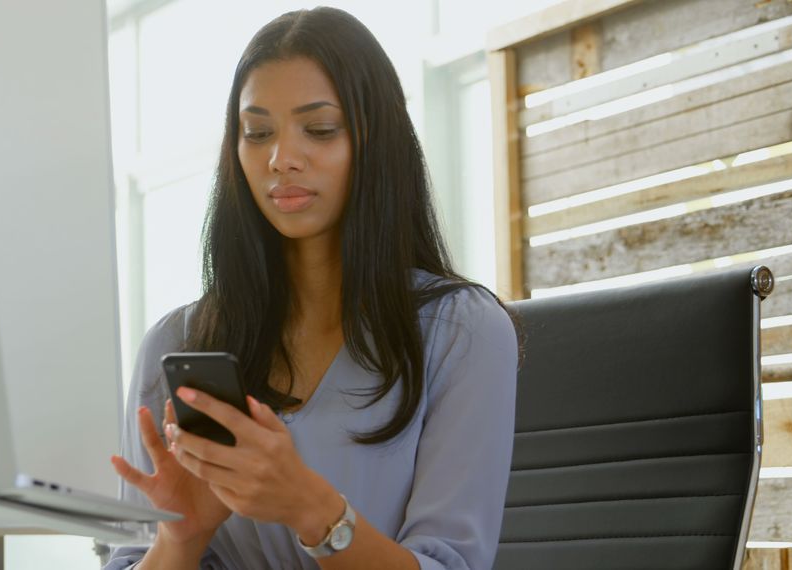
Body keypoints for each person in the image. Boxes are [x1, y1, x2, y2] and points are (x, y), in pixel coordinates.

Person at [105, 7, 517, 570]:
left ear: (377, 141)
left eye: (319, 130)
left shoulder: (461, 332)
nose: (282, 159)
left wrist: (311, 509)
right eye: (258, 133)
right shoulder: (178, 343)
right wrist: (181, 539)